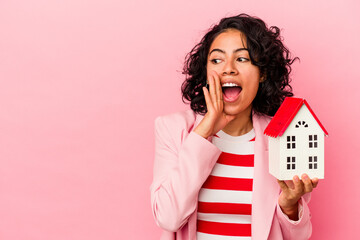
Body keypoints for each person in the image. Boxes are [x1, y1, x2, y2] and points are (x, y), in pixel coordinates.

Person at [150, 13, 319, 240]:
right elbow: (168, 217)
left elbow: (299, 236)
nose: (228, 69)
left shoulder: (283, 136)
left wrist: (290, 206)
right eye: (217, 60)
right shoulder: (173, 129)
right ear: (206, 73)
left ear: (263, 73)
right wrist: (204, 133)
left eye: (242, 59)